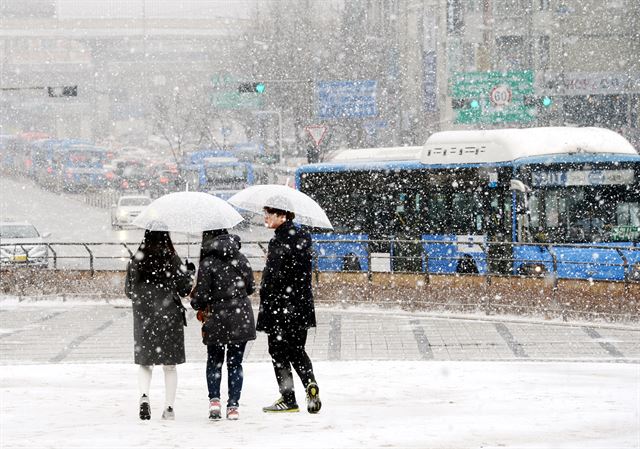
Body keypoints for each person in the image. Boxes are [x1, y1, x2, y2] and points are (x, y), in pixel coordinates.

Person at [125, 230, 195, 421]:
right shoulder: (172, 259)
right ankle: (169, 408)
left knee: (145, 363)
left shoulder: (136, 260)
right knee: (169, 366)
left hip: (144, 317)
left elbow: (129, 291)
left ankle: (144, 397)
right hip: (169, 316)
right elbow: (185, 289)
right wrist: (189, 272)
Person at [258, 206, 321, 414]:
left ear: (282, 216)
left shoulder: (278, 241)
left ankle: (288, 398)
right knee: (297, 350)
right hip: (301, 304)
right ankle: (310, 383)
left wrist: (265, 281)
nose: (265, 217)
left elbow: (274, 278)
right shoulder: (303, 238)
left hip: (280, 307)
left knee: (278, 352)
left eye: (270, 213)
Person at [190, 229, 256, 421]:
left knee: (214, 361)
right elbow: (250, 287)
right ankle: (233, 406)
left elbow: (201, 297)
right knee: (235, 363)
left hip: (217, 318)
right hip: (240, 317)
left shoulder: (208, 262)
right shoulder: (242, 259)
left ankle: (215, 403)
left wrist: (195, 302)